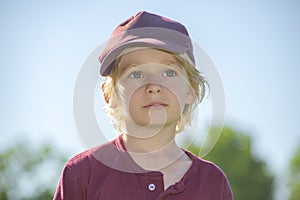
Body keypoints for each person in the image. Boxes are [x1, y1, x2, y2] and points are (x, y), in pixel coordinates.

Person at [53, 11, 233, 200]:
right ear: (109, 95)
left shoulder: (213, 182)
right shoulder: (82, 174)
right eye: (136, 74)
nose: (154, 86)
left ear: (191, 90)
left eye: (169, 73)